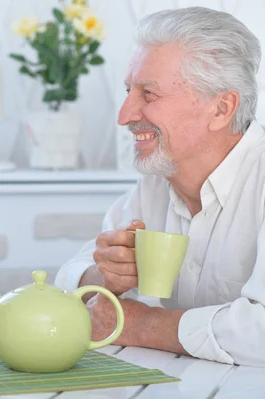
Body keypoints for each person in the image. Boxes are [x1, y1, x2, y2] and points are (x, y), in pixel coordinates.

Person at [55, 6, 265, 366]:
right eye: (128, 90)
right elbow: (71, 275)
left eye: (148, 94)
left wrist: (142, 325)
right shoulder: (156, 182)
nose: (124, 115)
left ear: (221, 108)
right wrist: (105, 275)